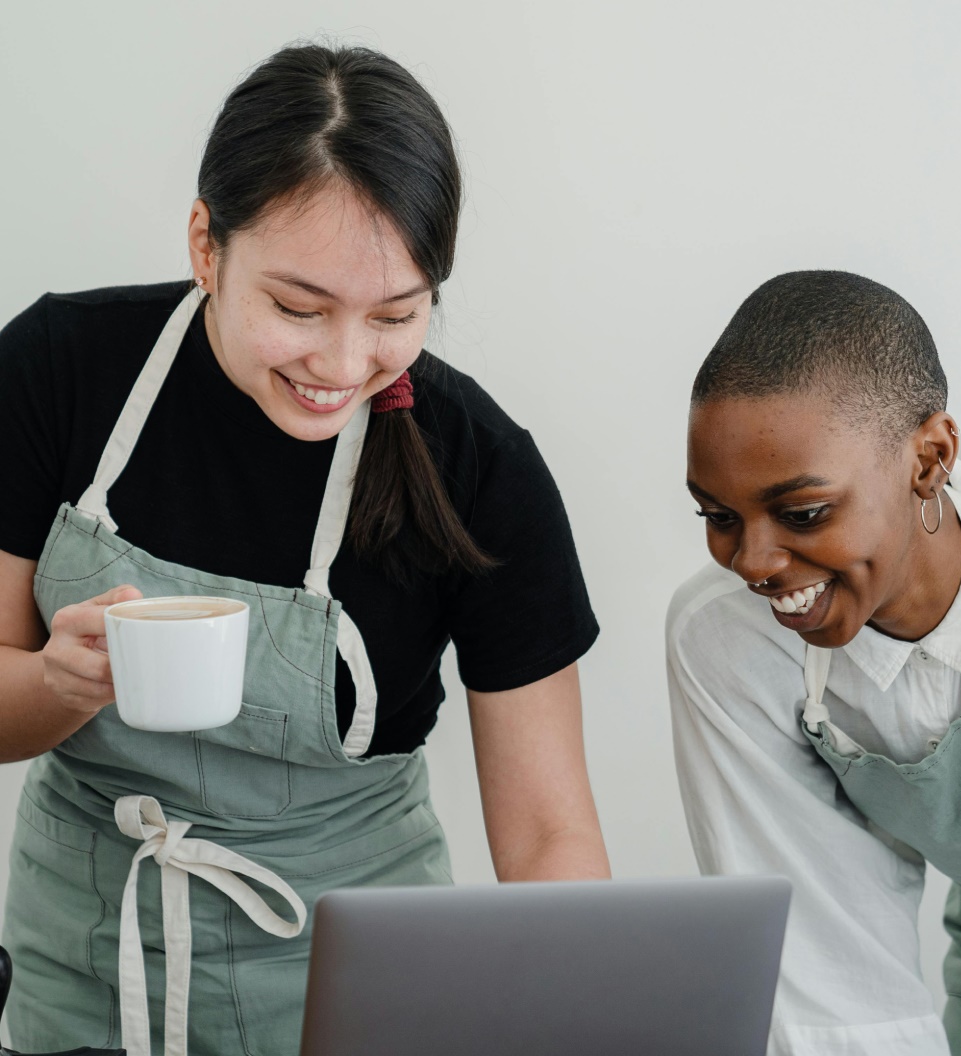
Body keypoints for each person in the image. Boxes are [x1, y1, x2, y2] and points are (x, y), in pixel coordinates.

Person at [0, 43, 609, 1056]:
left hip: (363, 988)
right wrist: (62, 683)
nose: (341, 363)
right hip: (90, 962)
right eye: (297, 308)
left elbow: (549, 832)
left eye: (396, 317)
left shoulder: (480, 470)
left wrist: (575, 1013)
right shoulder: (55, 372)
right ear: (206, 244)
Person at [667, 270, 961, 1056]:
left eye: (803, 513)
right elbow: (830, 985)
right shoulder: (728, 643)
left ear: (930, 458)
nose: (754, 562)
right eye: (718, 517)